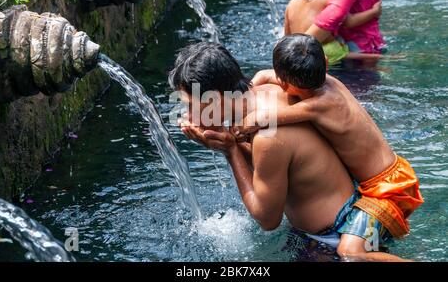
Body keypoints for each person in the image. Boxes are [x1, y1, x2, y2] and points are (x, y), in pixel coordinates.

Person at [169, 42, 410, 261]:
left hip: (335, 238)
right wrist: (229, 138)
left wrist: (230, 150)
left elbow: (267, 220)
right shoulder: (273, 91)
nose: (188, 116)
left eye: (190, 106)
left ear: (217, 98)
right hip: (351, 214)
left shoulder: (267, 135)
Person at [235, 34, 424, 259]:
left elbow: (261, 119)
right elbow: (265, 75)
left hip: (385, 191)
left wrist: (233, 122)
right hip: (385, 179)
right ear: (325, 62)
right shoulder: (330, 82)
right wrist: (256, 84)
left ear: (284, 83)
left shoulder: (320, 105)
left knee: (350, 253)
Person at [286, 0, 382, 65]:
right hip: (323, 54)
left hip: (296, 55)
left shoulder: (291, 4)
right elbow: (349, 21)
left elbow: (286, 38)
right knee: (369, 61)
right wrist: (374, 12)